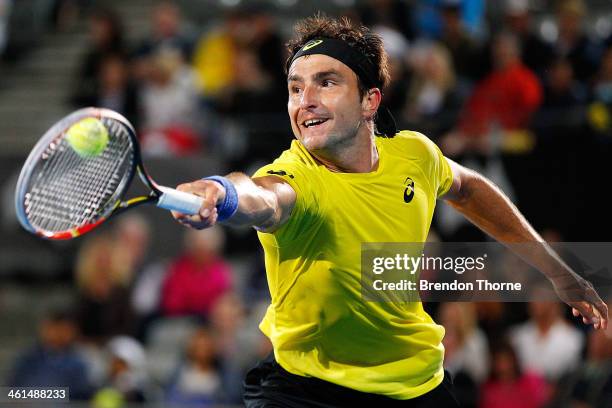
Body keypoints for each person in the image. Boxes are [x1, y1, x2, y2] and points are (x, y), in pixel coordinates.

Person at [170, 15, 608, 407]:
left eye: (327, 82)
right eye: (296, 87)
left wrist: (557, 271)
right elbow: (261, 196)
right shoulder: (295, 177)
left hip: (414, 384)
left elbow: (470, 189)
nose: (306, 100)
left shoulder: (415, 155)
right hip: (306, 390)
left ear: (370, 101)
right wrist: (220, 191)